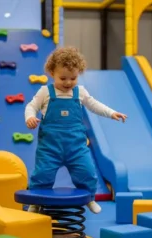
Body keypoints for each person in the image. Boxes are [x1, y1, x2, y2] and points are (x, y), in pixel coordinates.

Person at [25, 46, 127, 214]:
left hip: (76, 147)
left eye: (73, 78)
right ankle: (36, 201)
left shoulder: (80, 92)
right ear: (52, 73)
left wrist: (111, 113)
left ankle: (89, 198)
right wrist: (29, 117)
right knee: (42, 173)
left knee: (87, 171)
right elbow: (31, 106)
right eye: (63, 78)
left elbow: (94, 105)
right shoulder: (45, 92)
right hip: (50, 148)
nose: (68, 83)